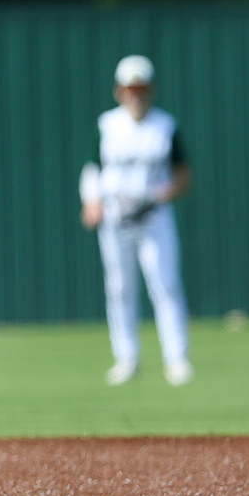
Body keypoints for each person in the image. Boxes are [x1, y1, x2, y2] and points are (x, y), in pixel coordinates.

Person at [78, 55, 194, 386]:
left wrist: (161, 195)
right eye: (130, 88)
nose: (136, 95)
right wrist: (91, 203)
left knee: (166, 284)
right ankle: (126, 358)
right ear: (119, 91)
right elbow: (92, 169)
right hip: (116, 216)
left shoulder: (165, 126)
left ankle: (177, 358)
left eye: (141, 88)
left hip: (153, 215)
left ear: (151, 90)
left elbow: (183, 174)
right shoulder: (108, 126)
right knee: (119, 288)